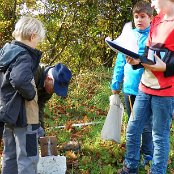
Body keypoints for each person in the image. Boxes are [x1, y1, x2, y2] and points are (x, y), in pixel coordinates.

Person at [118, 0, 174, 173]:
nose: (151, 2)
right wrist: (136, 61)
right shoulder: (156, 20)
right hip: (144, 87)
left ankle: (157, 171)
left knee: (159, 136)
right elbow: (147, 53)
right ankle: (130, 166)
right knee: (133, 129)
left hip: (165, 93)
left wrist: (166, 67)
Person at [0, 16, 45, 174]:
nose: (37, 43)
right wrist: (31, 93)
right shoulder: (24, 55)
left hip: (8, 115)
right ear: (32, 36)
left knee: (10, 157)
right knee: (28, 159)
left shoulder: (5, 52)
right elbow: (19, 80)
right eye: (38, 40)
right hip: (26, 118)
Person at [111, 0, 154, 166]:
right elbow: (120, 62)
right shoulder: (129, 36)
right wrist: (116, 84)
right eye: (136, 16)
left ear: (150, 18)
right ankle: (133, 154)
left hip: (147, 88)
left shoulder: (153, 36)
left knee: (146, 125)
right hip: (130, 89)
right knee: (132, 124)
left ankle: (148, 154)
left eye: (143, 16)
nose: (139, 20)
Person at [34, 63, 72, 130]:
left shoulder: (48, 89)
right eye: (55, 88)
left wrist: (40, 128)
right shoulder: (33, 71)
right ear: (49, 78)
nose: (54, 92)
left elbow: (39, 106)